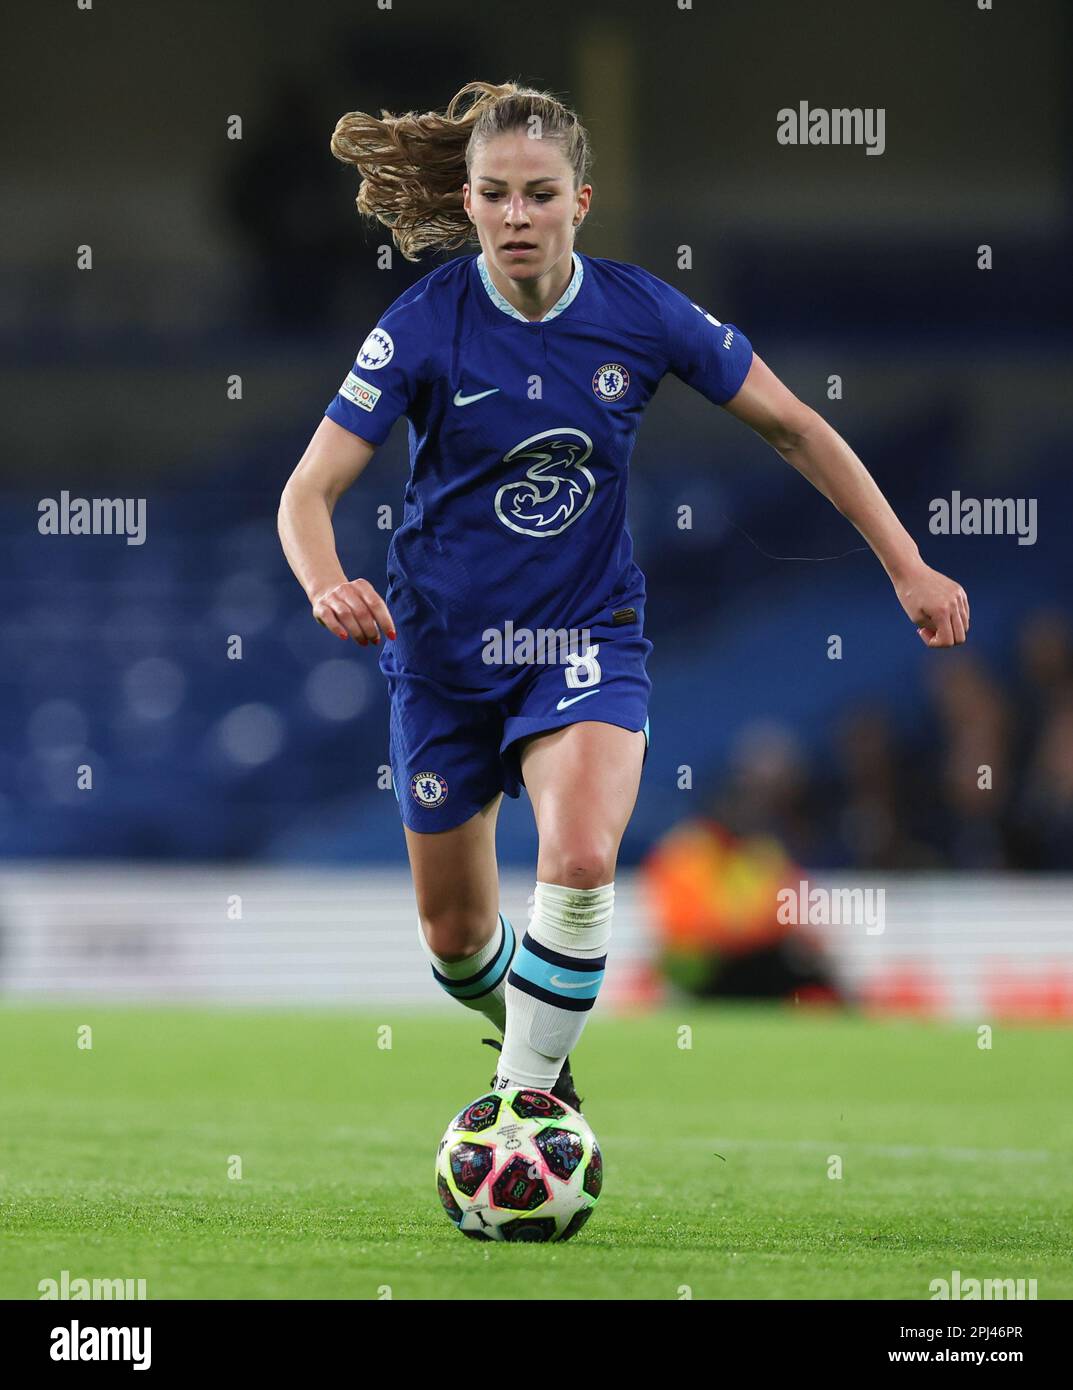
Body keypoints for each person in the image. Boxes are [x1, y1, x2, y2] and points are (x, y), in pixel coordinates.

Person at [277, 79, 970, 1110]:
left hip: (582, 639)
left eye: (540, 194)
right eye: (497, 194)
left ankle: (525, 1103)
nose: (518, 216)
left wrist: (905, 562)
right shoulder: (422, 323)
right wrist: (328, 582)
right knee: (456, 941)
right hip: (441, 654)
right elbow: (308, 490)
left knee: (582, 856)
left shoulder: (641, 312)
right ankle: (533, 1047)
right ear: (466, 203)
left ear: (581, 202)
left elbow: (794, 426)